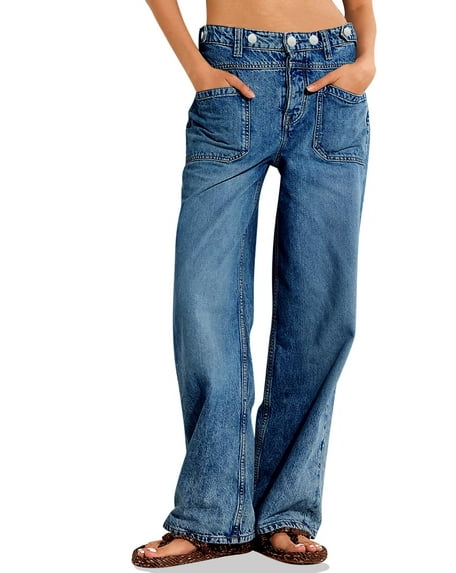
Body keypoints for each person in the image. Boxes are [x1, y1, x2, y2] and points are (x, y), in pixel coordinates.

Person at [132, 0, 376, 567]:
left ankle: (286, 511)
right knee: (204, 302)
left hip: (332, 83)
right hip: (232, 76)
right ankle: (211, 513)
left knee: (321, 308)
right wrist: (197, 68)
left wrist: (366, 59)